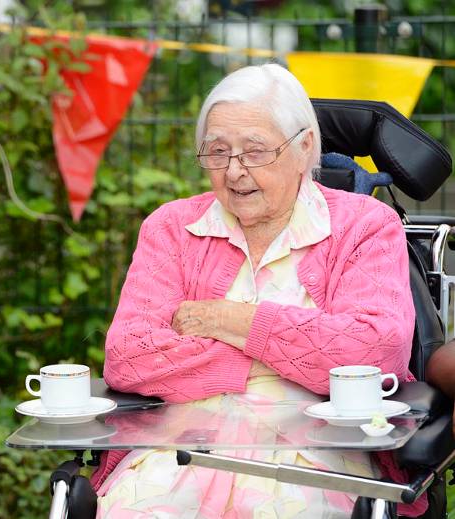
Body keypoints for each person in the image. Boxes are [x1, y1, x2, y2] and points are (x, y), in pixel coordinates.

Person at [92, 63, 426, 517]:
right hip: (179, 451)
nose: (233, 172)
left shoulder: (365, 226)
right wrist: (299, 358)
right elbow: (128, 356)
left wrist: (231, 321)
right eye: (217, 152)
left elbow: (374, 354)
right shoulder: (172, 228)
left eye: (254, 152)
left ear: (304, 147)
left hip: (315, 456)